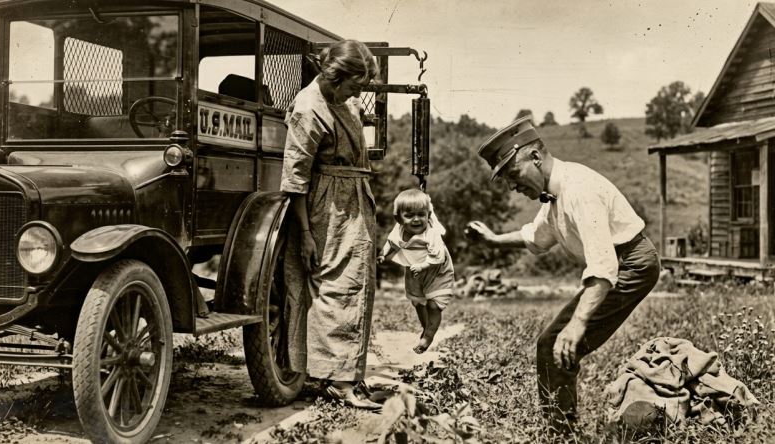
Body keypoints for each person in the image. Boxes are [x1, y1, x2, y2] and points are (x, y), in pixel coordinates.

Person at [466, 116, 660, 433]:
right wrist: (493, 240)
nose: (513, 186)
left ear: (536, 157)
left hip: (632, 264)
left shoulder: (579, 190)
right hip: (618, 265)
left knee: (558, 342)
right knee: (552, 342)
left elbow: (603, 266)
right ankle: (560, 429)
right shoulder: (555, 195)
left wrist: (577, 324)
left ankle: (561, 435)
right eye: (506, 180)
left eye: (514, 174)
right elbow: (536, 237)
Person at [280, 39, 380, 410]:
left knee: (356, 285)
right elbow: (294, 180)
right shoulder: (309, 110)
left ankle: (347, 374)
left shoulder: (344, 101)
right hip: (327, 206)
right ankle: (337, 380)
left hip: (352, 198)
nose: (359, 92)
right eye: (356, 83)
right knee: (336, 287)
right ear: (337, 76)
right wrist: (305, 234)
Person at [377, 189, 455, 354]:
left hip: (438, 271)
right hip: (415, 272)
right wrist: (383, 254)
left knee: (434, 305)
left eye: (421, 214)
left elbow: (438, 257)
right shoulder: (398, 230)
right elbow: (391, 243)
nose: (417, 219)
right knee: (419, 303)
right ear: (399, 218)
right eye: (410, 215)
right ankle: (425, 327)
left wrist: (423, 266)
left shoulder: (431, 233)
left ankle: (428, 336)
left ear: (428, 215)